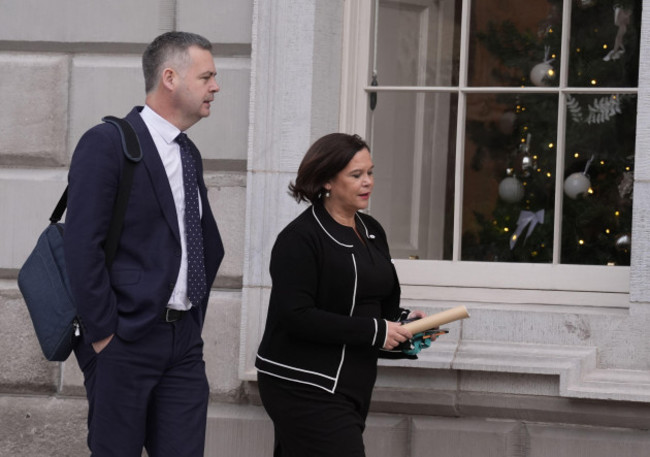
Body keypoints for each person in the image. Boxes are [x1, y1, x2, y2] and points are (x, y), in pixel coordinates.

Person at [64, 31, 224, 457]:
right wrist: (104, 338)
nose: (216, 86)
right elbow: (82, 248)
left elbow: (200, 242)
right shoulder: (107, 143)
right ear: (170, 78)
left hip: (183, 344)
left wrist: (191, 320)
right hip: (124, 342)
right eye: (206, 76)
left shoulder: (188, 152)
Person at [255, 133, 425, 456]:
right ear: (327, 181)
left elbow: (371, 305)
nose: (368, 182)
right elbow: (296, 315)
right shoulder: (300, 239)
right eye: (356, 175)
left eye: (370, 172)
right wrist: (376, 331)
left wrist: (404, 325)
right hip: (302, 383)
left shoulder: (372, 231)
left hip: (353, 384)